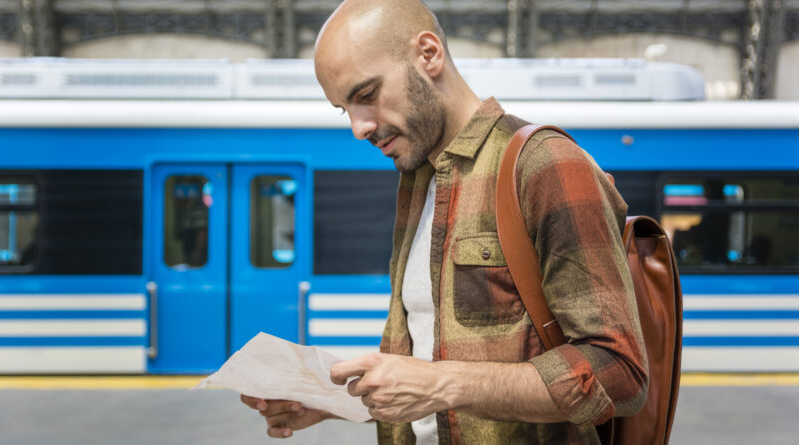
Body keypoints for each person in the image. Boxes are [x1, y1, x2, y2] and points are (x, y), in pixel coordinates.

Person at [240, 1, 648, 443]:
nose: (358, 128)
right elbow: (435, 390)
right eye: (345, 109)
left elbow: (621, 374)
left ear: (429, 54)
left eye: (367, 94)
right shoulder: (418, 184)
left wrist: (437, 384)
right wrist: (329, 400)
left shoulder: (545, 164)